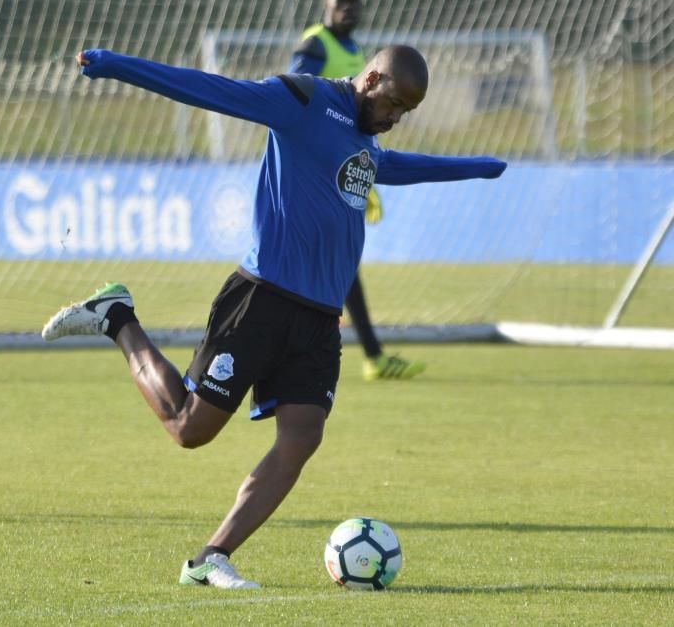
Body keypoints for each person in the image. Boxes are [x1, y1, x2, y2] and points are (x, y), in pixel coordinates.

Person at [41, 46, 506, 588]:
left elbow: (391, 166)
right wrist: (120, 66)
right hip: (262, 301)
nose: (395, 118)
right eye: (394, 103)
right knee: (189, 429)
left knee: (302, 437)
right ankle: (117, 316)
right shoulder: (303, 99)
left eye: (406, 112)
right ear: (372, 77)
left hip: (318, 320)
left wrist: (472, 168)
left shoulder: (364, 138)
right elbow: (207, 88)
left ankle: (211, 558)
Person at [291, 0, 425, 381]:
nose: (348, 8)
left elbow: (359, 124)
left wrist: (364, 175)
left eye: (354, 2)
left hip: (343, 174)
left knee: (339, 264)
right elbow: (297, 94)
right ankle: (366, 355)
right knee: (335, 265)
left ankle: (365, 354)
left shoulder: (357, 50)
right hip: (314, 174)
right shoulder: (316, 44)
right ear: (326, 5)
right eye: (340, 2)